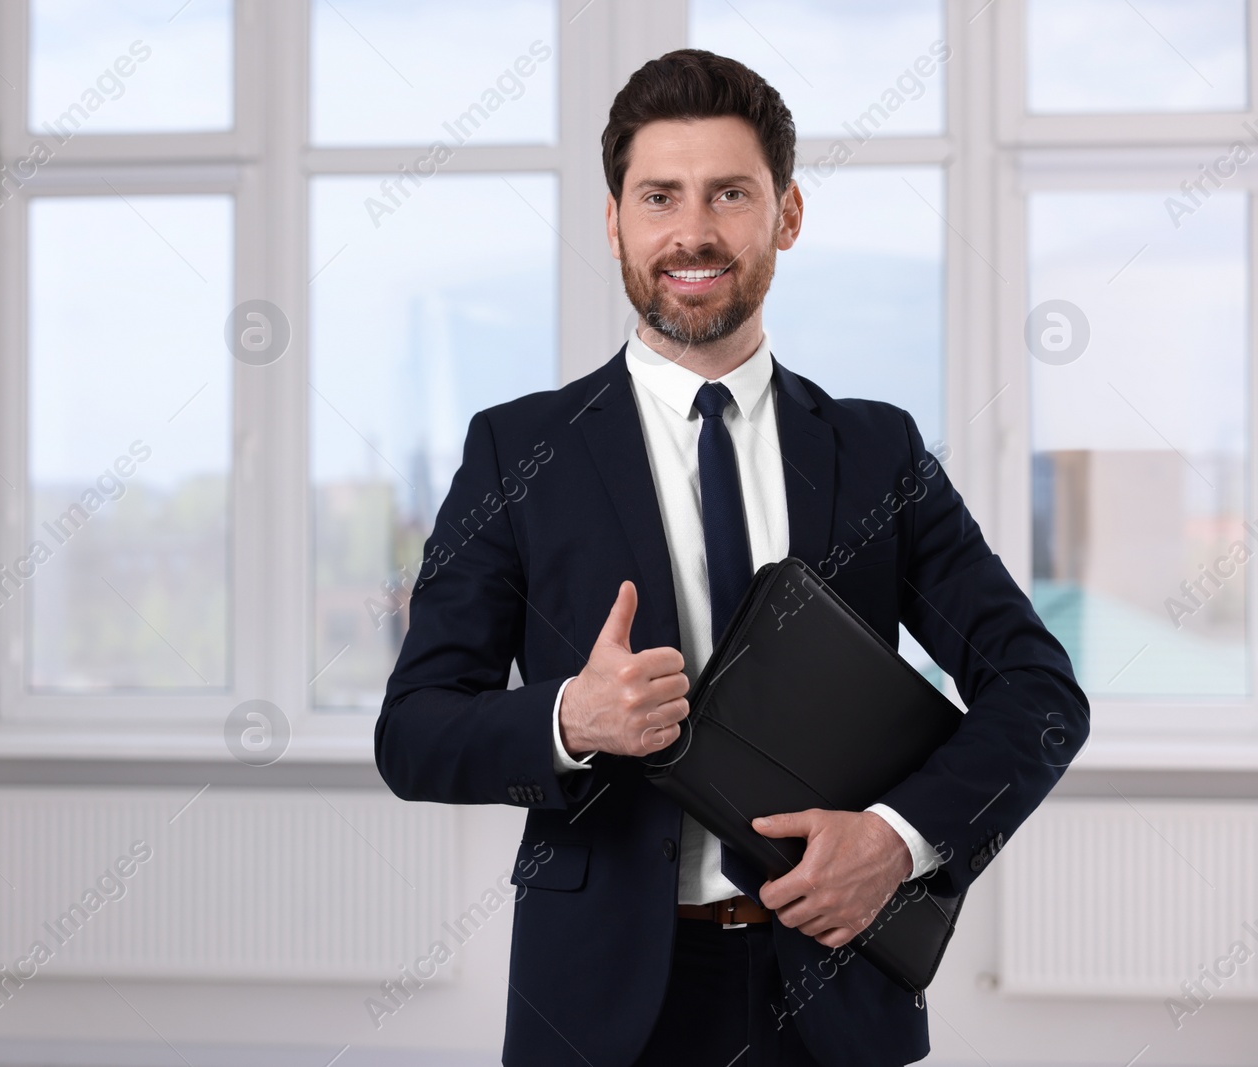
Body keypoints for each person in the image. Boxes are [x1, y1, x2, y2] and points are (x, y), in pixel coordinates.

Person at [375, 48, 1088, 1067]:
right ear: (613, 220)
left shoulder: (874, 452)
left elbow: (1040, 691)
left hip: (834, 990)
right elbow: (414, 731)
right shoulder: (516, 450)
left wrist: (896, 838)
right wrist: (569, 718)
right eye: (658, 196)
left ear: (785, 216)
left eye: (729, 194)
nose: (692, 232)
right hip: (600, 1003)